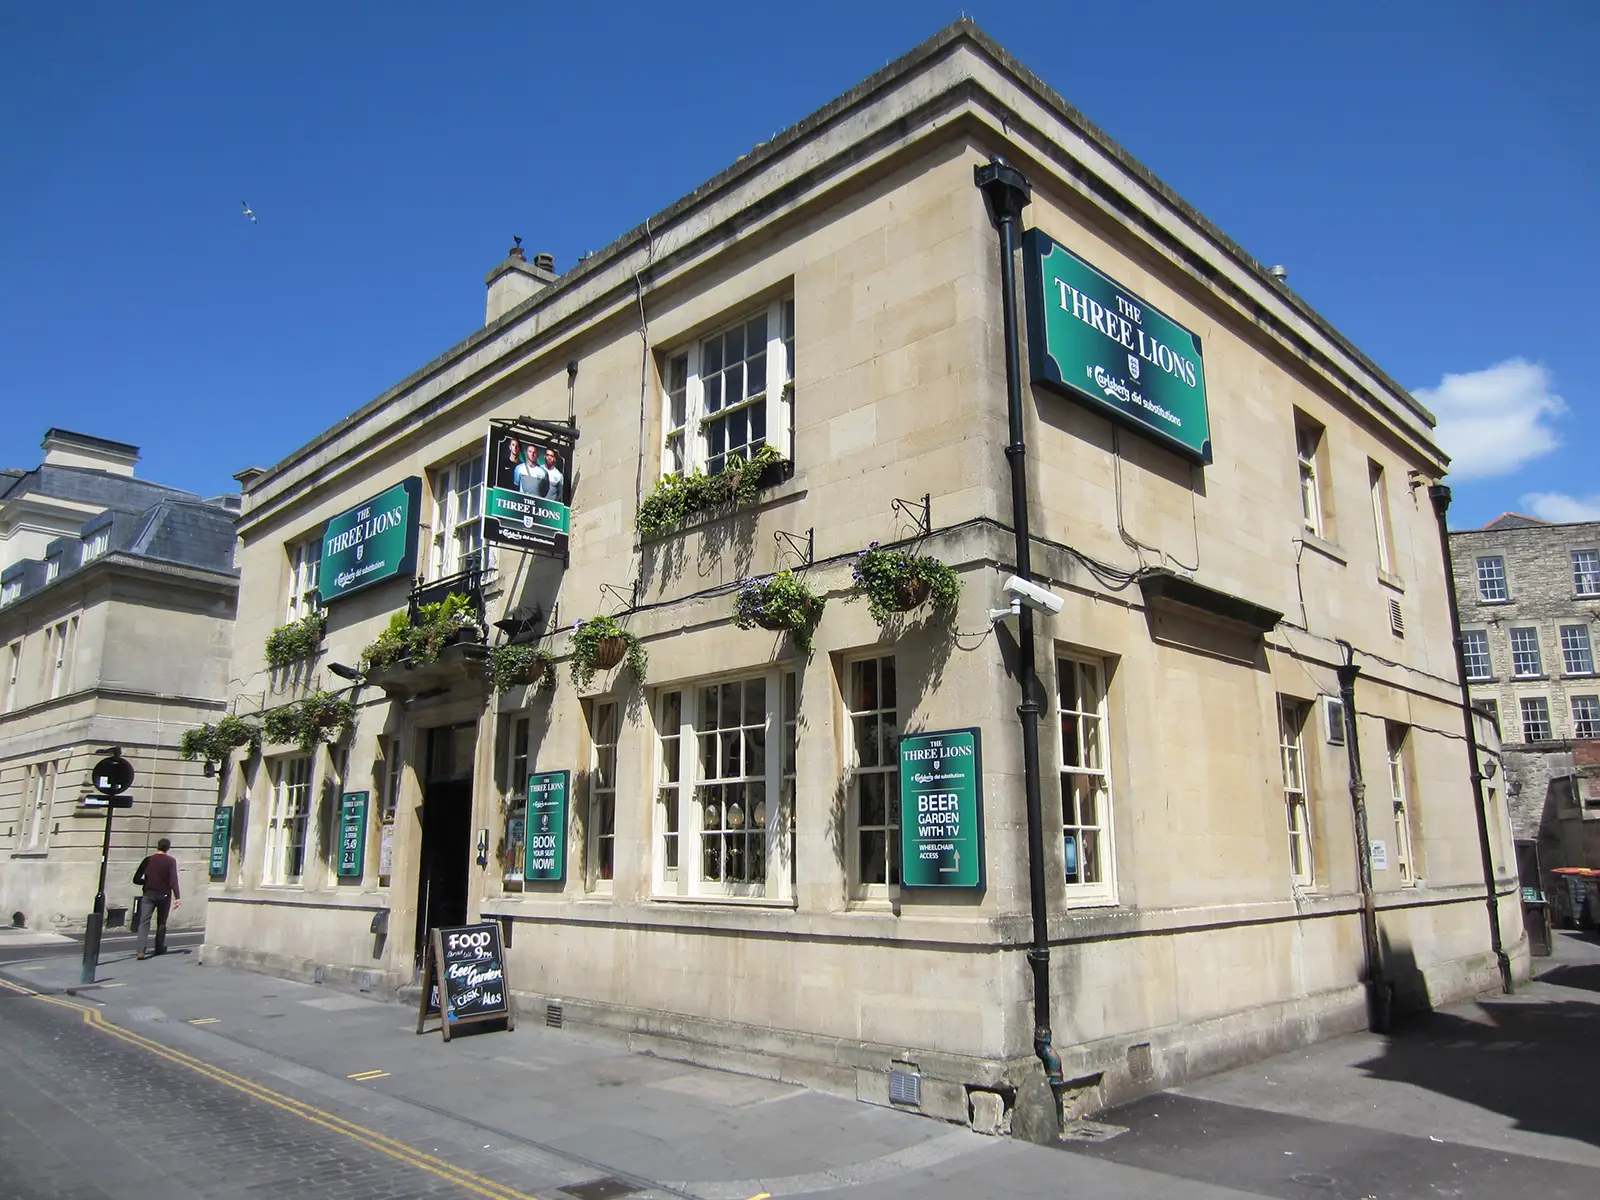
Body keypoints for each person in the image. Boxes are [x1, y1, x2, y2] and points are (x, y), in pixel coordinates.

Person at [134, 837, 181, 959]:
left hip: (148, 894)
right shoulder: (171, 861)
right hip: (164, 895)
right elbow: (173, 880)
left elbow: (136, 878)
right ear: (168, 848)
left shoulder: (148, 860)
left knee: (144, 922)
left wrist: (146, 882)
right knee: (161, 923)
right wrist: (177, 897)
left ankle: (141, 951)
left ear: (157, 846)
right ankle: (159, 948)